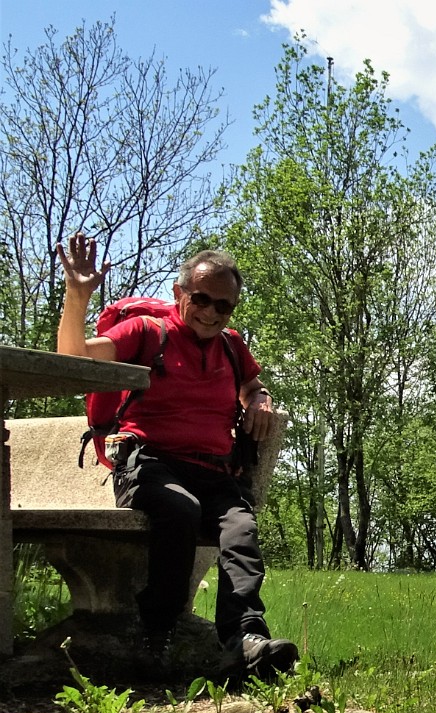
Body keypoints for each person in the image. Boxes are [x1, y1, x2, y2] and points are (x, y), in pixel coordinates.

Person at [55, 231, 298, 681]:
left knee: (241, 528)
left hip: (213, 470)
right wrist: (77, 296)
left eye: (224, 306)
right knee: (179, 510)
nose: (211, 313)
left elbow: (249, 384)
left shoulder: (230, 344)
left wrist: (259, 398)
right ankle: (159, 631)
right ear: (180, 293)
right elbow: (72, 359)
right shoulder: (147, 332)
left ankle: (244, 640)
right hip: (149, 464)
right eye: (202, 299)